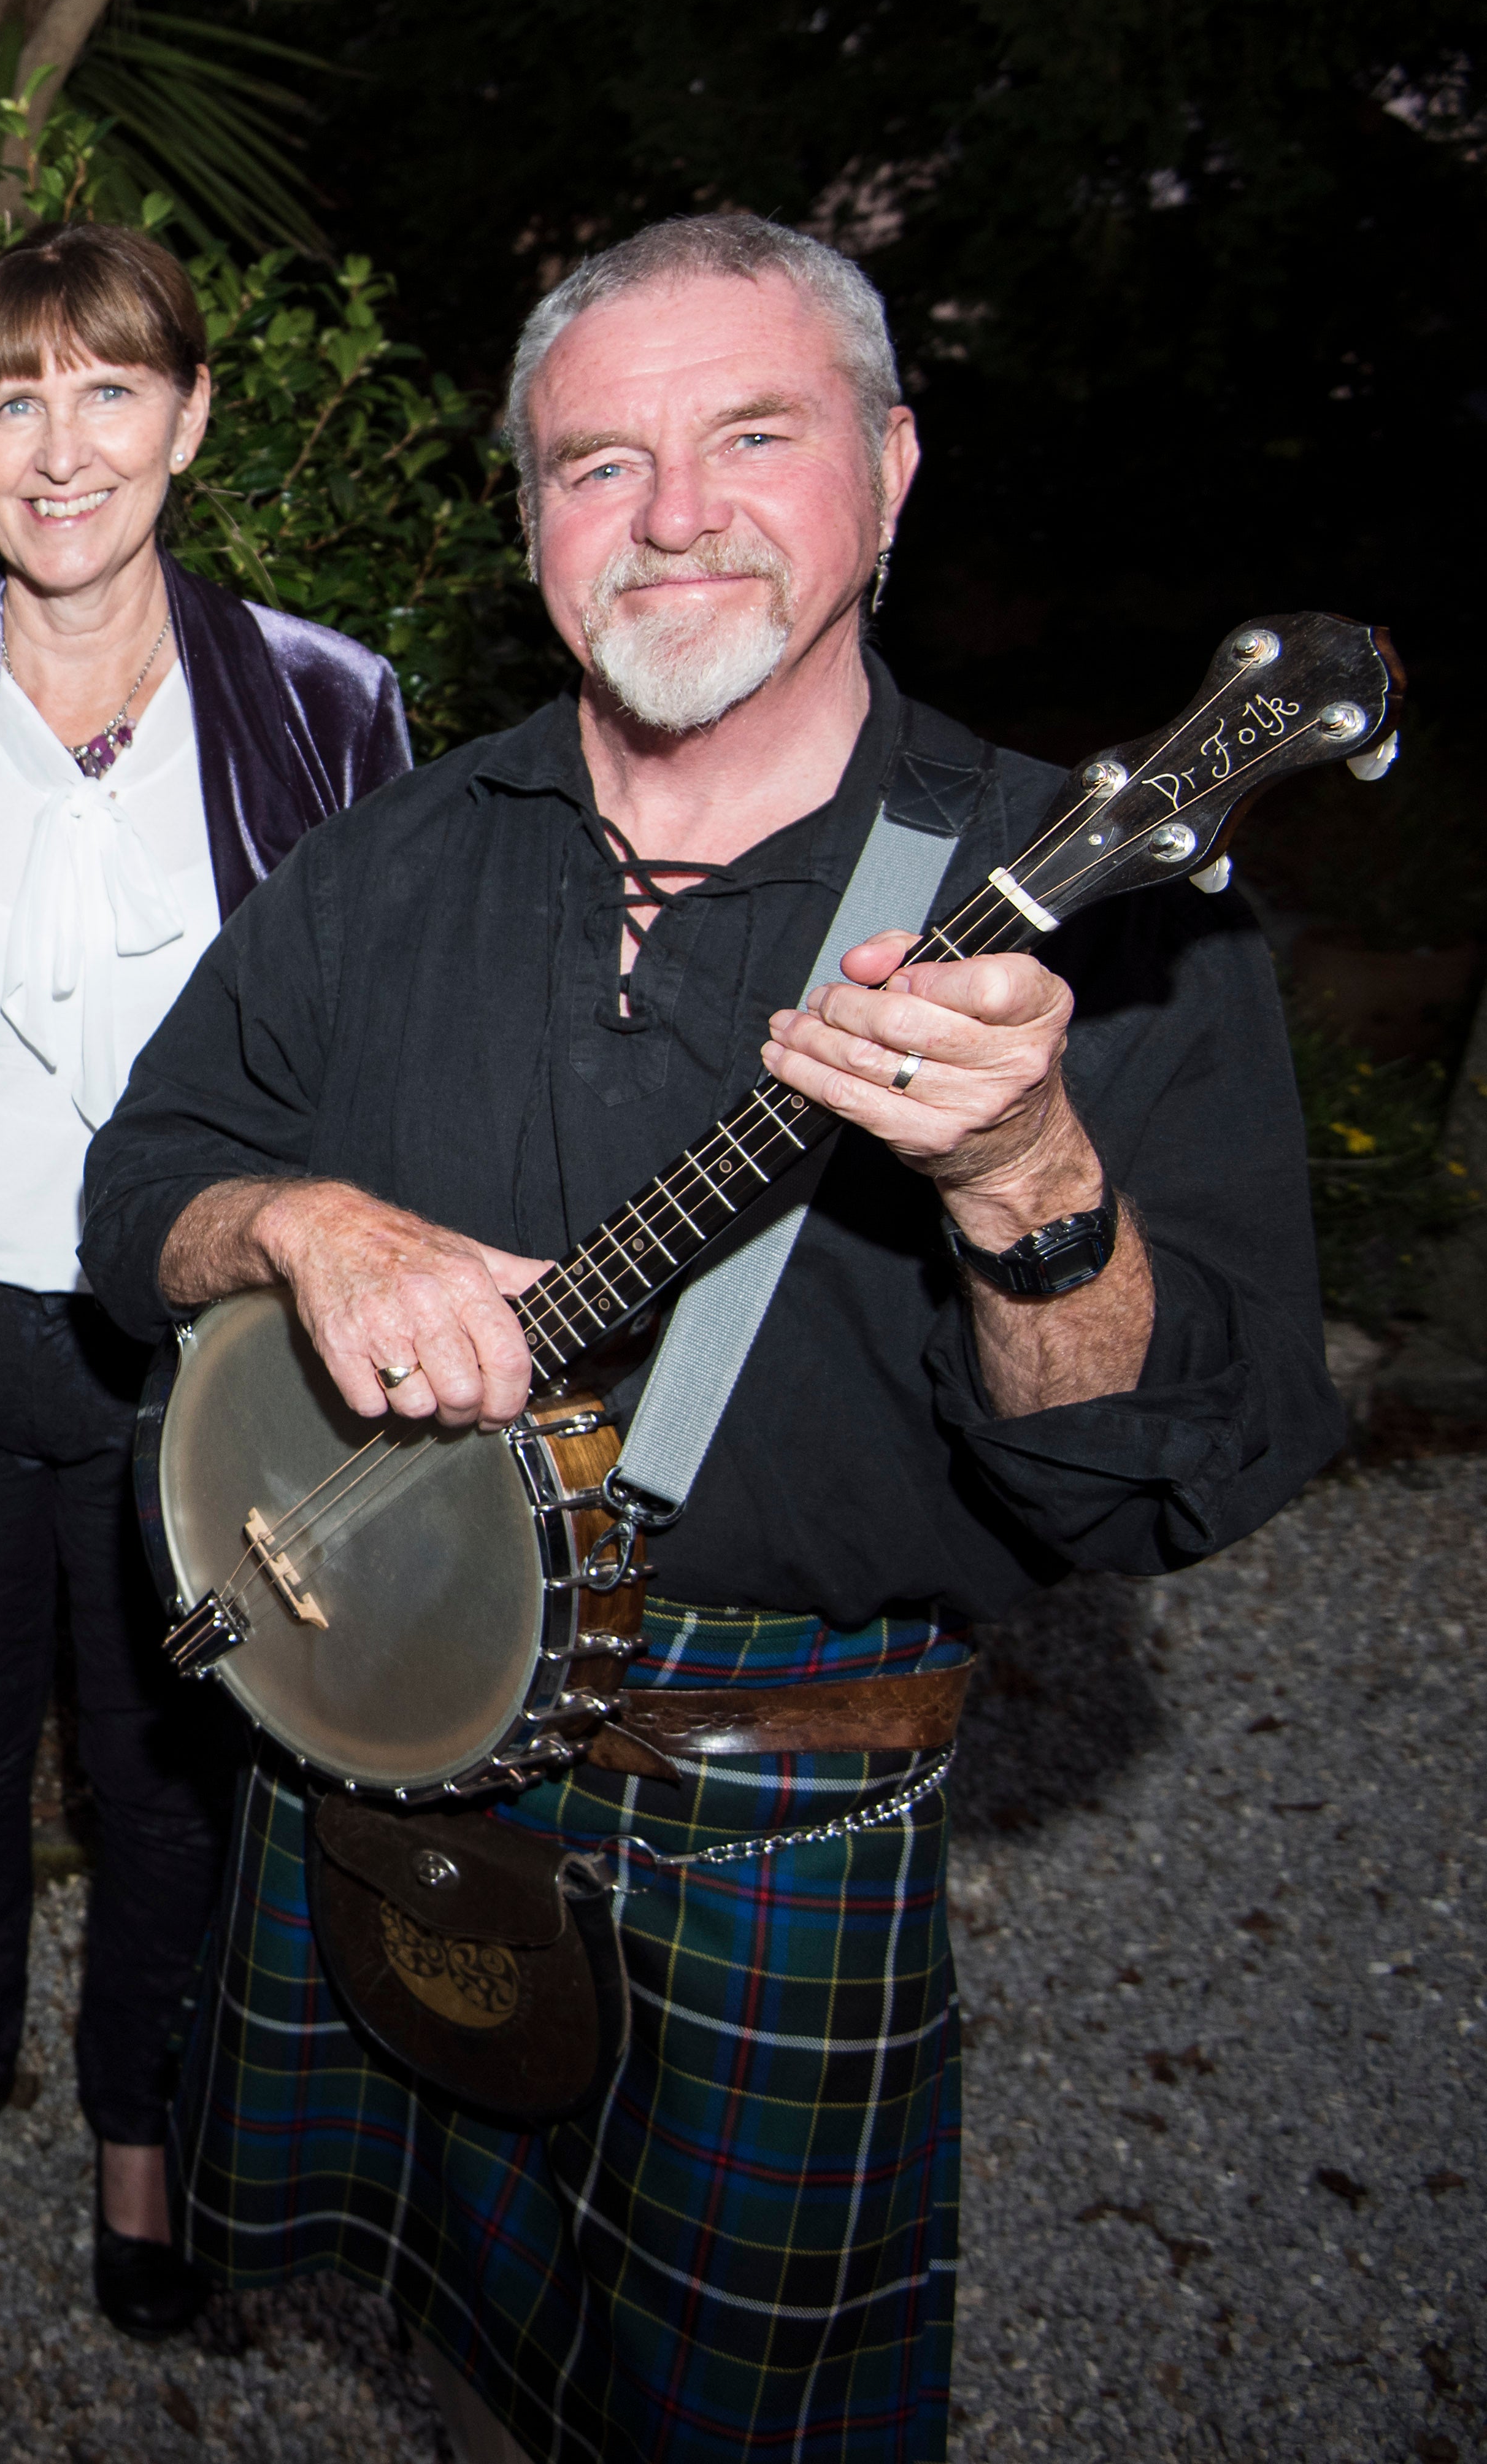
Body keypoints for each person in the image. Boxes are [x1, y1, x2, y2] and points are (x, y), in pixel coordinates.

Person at [80, 214, 1342, 2462]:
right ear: (532, 522)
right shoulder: (394, 857)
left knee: (735, 2407)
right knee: (451, 2317)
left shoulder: (1095, 920)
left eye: (752, 437)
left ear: (892, 467)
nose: (671, 515)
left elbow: (1160, 1480)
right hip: (373, 1694)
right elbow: (139, 1191)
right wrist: (298, 1224)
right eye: (598, 463)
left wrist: (1024, 1180)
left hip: (766, 1808)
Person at [0, 220, 412, 2334]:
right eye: (14, 400)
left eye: (110, 390)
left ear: (190, 419)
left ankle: (138, 2108)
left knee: (167, 1759)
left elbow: (386, 1063)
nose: (62, 448)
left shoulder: (327, 704)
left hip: (212, 1359)